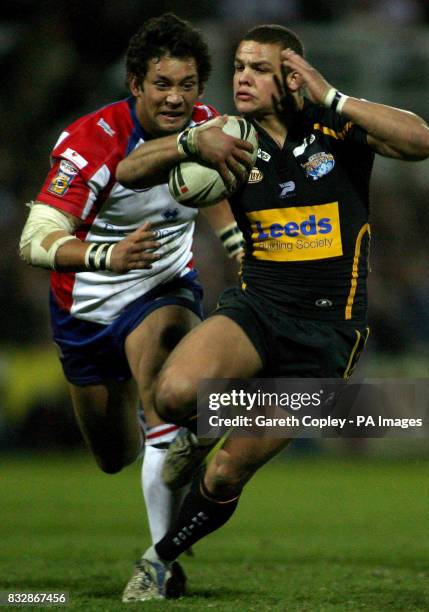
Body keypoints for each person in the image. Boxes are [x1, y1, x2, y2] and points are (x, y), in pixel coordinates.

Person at [115, 23, 429, 598]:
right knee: (172, 394)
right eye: (239, 65)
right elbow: (129, 170)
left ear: (291, 77)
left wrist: (332, 95)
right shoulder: (225, 136)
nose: (242, 76)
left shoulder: (335, 125)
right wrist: (191, 143)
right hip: (258, 310)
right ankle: (199, 430)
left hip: (327, 337)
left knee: (225, 472)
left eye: (258, 68)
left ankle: (158, 560)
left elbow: (421, 141)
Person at [18, 13, 254, 603]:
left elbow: (211, 188)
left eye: (188, 85)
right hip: (86, 307)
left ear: (201, 88)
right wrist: (106, 254)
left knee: (166, 395)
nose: (176, 98)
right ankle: (170, 479)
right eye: (162, 85)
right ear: (135, 85)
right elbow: (34, 240)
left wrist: (235, 246)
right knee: (114, 455)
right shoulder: (89, 141)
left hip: (163, 290)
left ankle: (162, 563)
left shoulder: (208, 126)